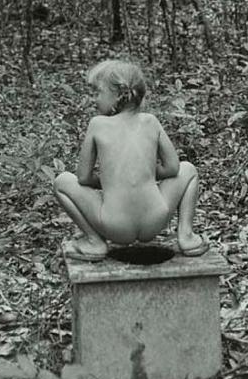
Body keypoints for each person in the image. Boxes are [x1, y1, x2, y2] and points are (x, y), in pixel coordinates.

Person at [54, 59, 208, 261]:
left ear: (118, 95)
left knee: (62, 181)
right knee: (189, 170)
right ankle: (187, 236)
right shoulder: (151, 121)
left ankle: (94, 242)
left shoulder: (97, 124)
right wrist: (146, 173)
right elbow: (173, 168)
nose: (95, 99)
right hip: (155, 220)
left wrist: (111, 179)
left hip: (114, 225)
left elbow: (83, 178)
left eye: (98, 92)